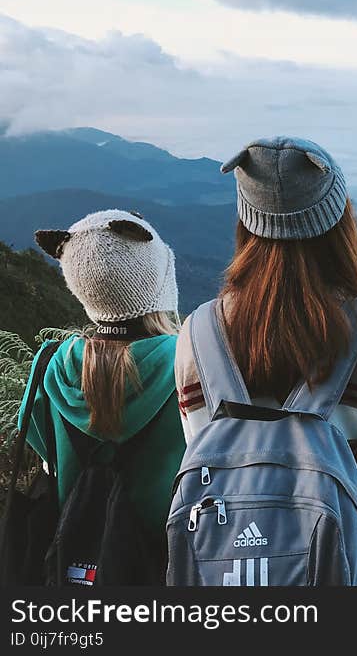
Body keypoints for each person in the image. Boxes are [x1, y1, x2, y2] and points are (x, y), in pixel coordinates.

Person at [174, 137, 357, 576]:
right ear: (339, 222)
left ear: (245, 223)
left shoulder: (197, 334)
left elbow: (199, 447)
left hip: (223, 551)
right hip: (342, 545)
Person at [21, 209, 185, 581]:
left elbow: (42, 445)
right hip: (165, 560)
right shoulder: (189, 365)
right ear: (159, 284)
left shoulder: (51, 365)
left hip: (75, 556)